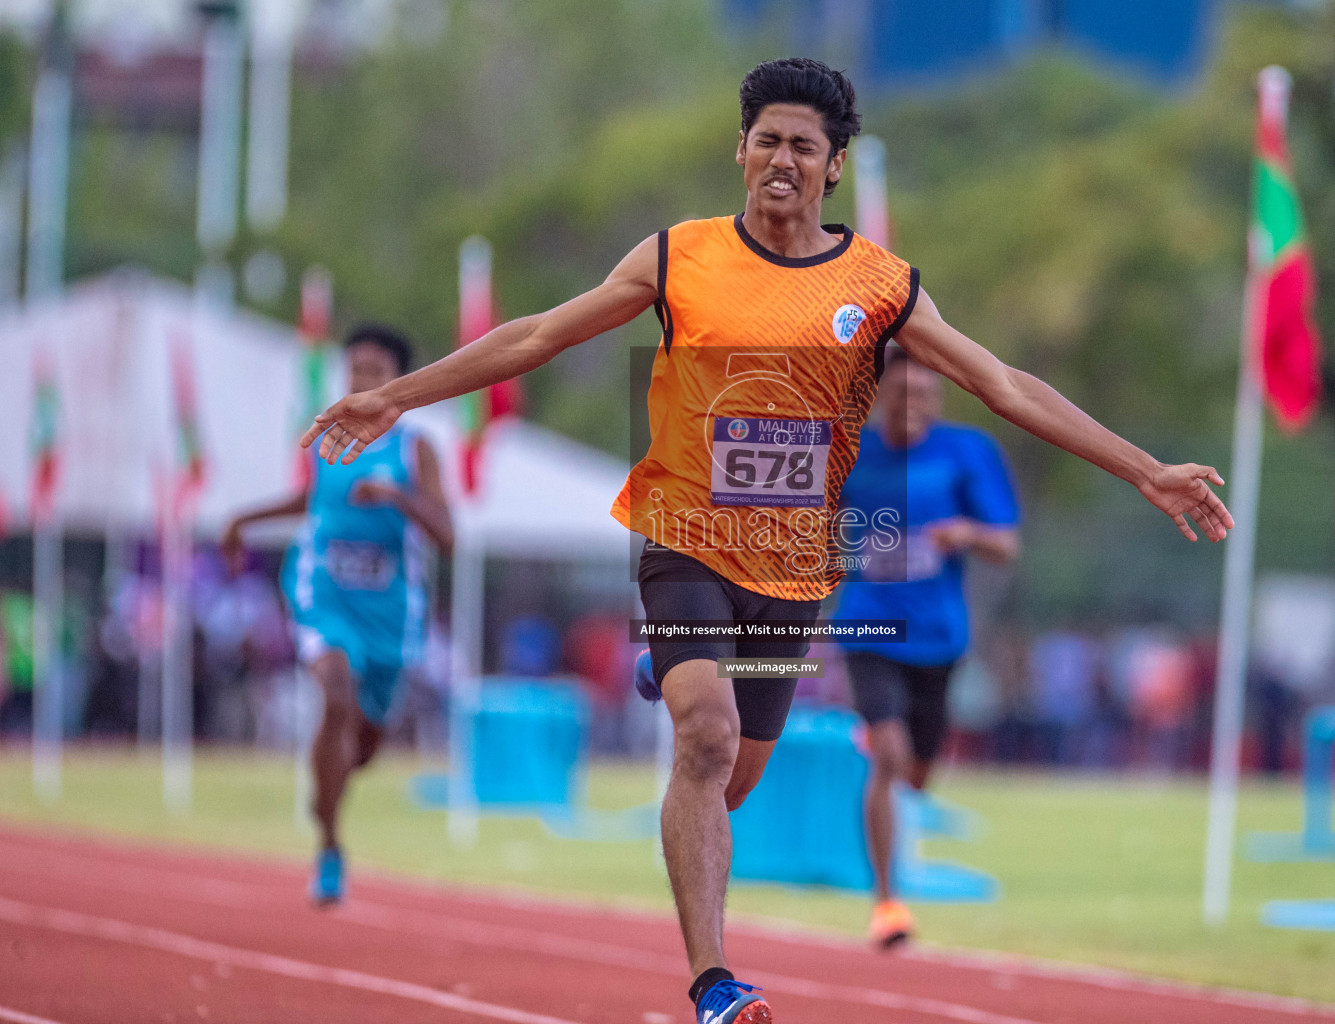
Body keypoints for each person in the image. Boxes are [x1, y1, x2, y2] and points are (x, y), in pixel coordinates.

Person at [302, 58, 1232, 1024]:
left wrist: (1143, 468)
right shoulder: (677, 257)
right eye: (768, 141)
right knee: (703, 739)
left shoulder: (879, 285)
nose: (782, 160)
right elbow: (538, 335)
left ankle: (672, 678)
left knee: (732, 777)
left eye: (804, 146)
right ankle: (713, 981)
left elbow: (1005, 385)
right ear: (740, 150)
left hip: (794, 573)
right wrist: (396, 397)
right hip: (684, 537)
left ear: (834, 167)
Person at [223, 324, 453, 905]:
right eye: (353, 368)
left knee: (365, 744)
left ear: (397, 380)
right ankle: (329, 844)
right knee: (333, 688)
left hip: (391, 611)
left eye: (375, 370)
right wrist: (241, 520)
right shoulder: (329, 436)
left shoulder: (414, 448)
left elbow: (449, 536)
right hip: (322, 590)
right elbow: (312, 501)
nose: (361, 380)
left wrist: (397, 498)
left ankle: (326, 790)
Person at [829, 348, 1021, 948]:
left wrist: (965, 533)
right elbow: (814, 530)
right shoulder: (850, 451)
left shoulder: (967, 452)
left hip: (939, 637)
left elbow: (1006, 545)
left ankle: (894, 749)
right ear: (879, 396)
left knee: (916, 774)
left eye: (927, 398)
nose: (916, 407)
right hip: (866, 624)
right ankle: (887, 903)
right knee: (888, 760)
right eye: (904, 396)